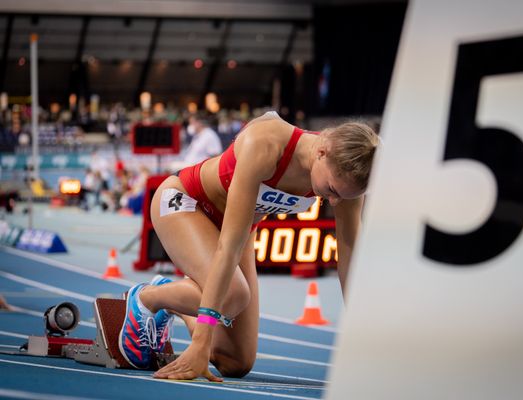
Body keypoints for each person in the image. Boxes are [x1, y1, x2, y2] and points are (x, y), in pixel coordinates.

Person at [118, 111, 379, 380]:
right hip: (185, 203)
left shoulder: (347, 180)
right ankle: (148, 297)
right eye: (333, 191)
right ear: (322, 151)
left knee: (236, 362)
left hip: (238, 229)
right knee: (233, 296)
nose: (334, 202)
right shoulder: (266, 143)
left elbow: (349, 259)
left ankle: (175, 301)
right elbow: (228, 246)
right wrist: (200, 343)